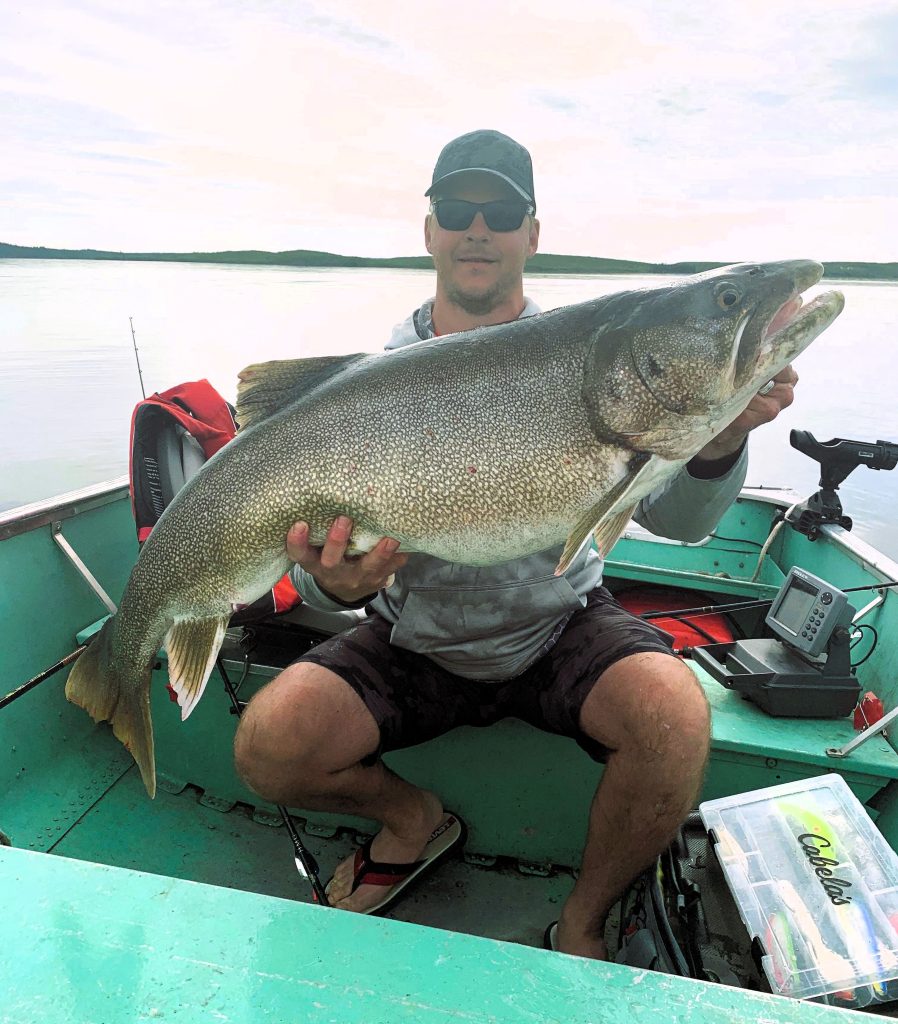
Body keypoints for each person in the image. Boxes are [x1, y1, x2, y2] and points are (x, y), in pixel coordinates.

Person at [234, 129, 798, 959]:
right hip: (414, 636)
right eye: (458, 210)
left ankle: (583, 917)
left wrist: (717, 437)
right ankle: (411, 820)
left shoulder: (594, 353)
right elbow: (324, 585)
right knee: (266, 743)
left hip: (559, 624)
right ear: (429, 229)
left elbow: (681, 526)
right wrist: (339, 588)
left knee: (674, 717)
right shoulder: (365, 388)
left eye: (500, 211)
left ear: (532, 233)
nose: (477, 228)